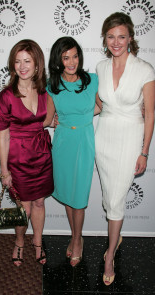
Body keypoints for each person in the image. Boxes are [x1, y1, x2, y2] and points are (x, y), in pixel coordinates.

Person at [95, 12, 155, 285]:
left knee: (117, 198)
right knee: (109, 196)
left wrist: (144, 152)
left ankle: (109, 256)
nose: (116, 42)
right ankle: (115, 235)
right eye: (111, 36)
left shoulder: (145, 69)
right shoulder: (100, 67)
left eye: (121, 36)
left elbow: (150, 115)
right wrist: (68, 120)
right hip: (103, 137)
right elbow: (98, 106)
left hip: (130, 138)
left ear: (130, 37)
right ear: (105, 39)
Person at [0, 39, 54, 267]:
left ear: (37, 64)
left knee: (39, 202)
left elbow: (46, 119)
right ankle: (19, 241)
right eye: (17, 61)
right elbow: (3, 136)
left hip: (42, 156)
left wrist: (54, 121)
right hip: (18, 160)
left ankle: (37, 241)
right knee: (24, 207)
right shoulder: (6, 97)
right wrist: (4, 171)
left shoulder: (42, 91)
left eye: (27, 61)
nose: (22, 66)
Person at [43, 36, 99, 267]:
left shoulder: (93, 80)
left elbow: (102, 107)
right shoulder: (52, 86)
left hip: (84, 141)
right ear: (58, 60)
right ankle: (76, 237)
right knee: (68, 194)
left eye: (75, 56)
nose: (71, 61)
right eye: (66, 57)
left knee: (79, 198)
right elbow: (46, 119)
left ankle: (77, 240)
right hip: (64, 143)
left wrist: (84, 118)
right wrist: (55, 122)